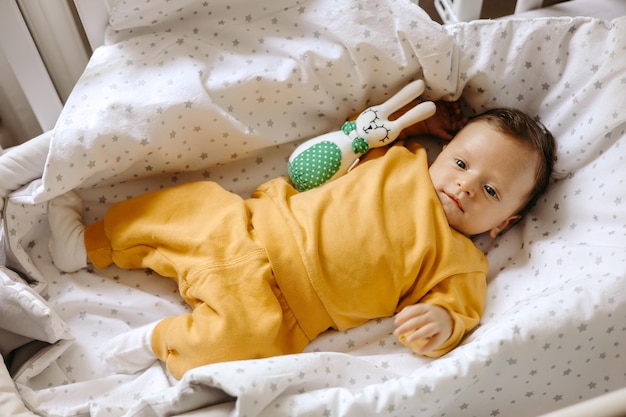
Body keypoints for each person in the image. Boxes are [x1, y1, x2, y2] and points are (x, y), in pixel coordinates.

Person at [47, 104, 556, 380]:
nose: (466, 184)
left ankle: (157, 341)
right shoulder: (404, 160)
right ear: (443, 150)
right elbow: (365, 128)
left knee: (239, 346)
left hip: (282, 307)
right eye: (463, 163)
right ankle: (87, 245)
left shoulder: (460, 261)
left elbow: (460, 313)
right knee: (185, 207)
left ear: (503, 224)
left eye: (490, 190)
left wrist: (441, 323)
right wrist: (424, 117)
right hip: (247, 226)